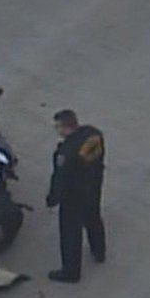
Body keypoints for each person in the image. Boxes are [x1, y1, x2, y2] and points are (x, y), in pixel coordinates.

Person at [45, 109, 106, 283]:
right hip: (93, 187)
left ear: (64, 127)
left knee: (70, 232)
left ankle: (71, 271)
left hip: (73, 196)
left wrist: (52, 198)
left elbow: (60, 178)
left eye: (58, 127)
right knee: (93, 218)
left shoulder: (65, 153)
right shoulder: (94, 134)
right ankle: (99, 250)